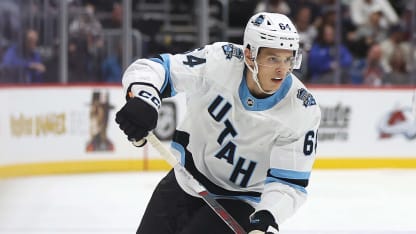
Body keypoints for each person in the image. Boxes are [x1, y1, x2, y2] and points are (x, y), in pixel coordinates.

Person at [115, 12, 321, 234]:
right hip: (185, 179)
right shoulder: (219, 61)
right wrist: (146, 98)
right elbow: (154, 69)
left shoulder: (302, 109)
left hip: (240, 202)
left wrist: (268, 214)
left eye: (288, 59)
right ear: (250, 55)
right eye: (272, 59)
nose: (283, 70)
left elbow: (289, 183)